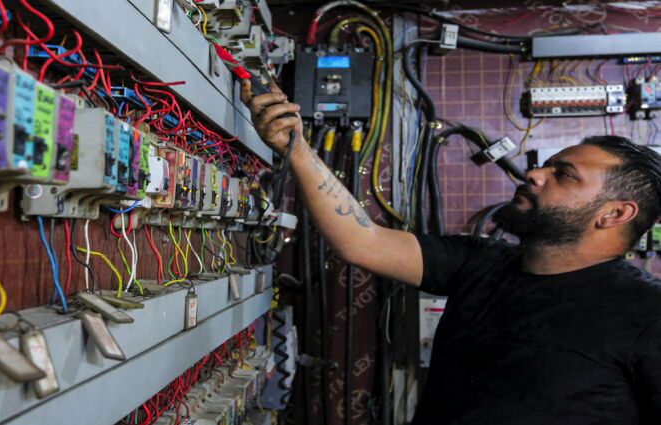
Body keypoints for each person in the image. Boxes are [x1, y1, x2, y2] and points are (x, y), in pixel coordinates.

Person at [241, 80, 661, 424]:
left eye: (563, 175)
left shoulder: (647, 312)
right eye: (546, 164)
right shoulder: (481, 262)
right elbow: (361, 239)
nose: (534, 173)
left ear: (615, 213)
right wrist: (294, 147)